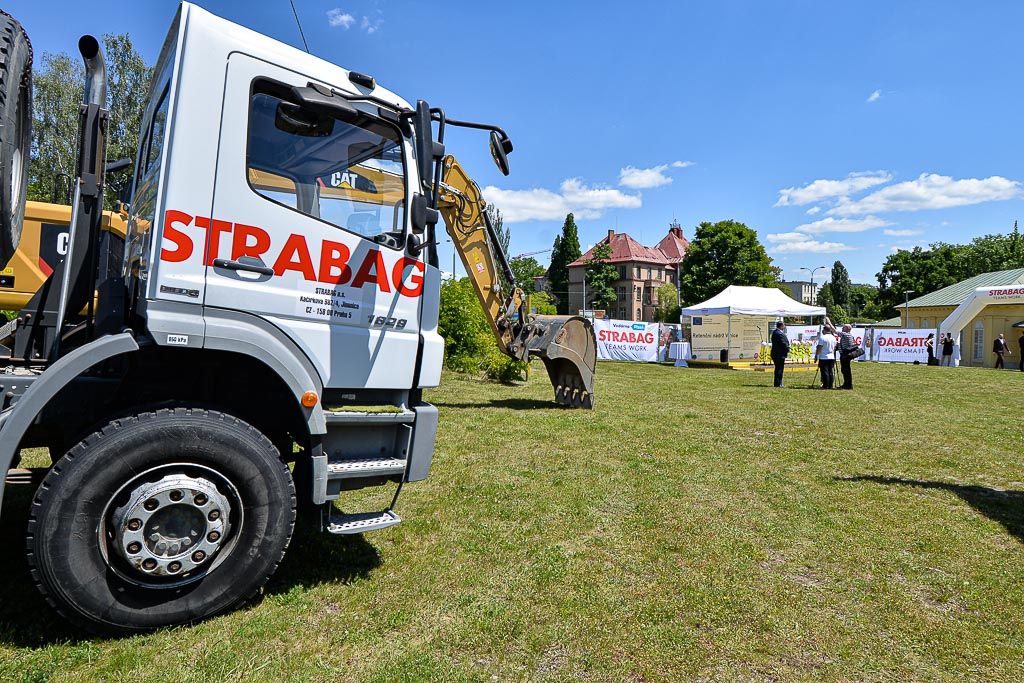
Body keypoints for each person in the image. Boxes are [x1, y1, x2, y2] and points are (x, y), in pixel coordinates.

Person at [770, 321, 790, 388]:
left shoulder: (777, 332)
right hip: (778, 354)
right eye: (784, 325)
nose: (784, 326)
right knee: (779, 369)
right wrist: (788, 349)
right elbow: (783, 343)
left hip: (778, 354)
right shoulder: (778, 333)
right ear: (781, 326)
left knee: (779, 368)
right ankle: (778, 383)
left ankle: (779, 382)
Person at [838, 324, 856, 389]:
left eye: (844, 327)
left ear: (847, 328)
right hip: (846, 355)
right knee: (845, 370)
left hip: (845, 355)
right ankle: (847, 384)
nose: (842, 328)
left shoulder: (845, 334)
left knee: (846, 370)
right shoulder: (850, 335)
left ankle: (848, 385)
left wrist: (829, 322)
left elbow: (834, 331)